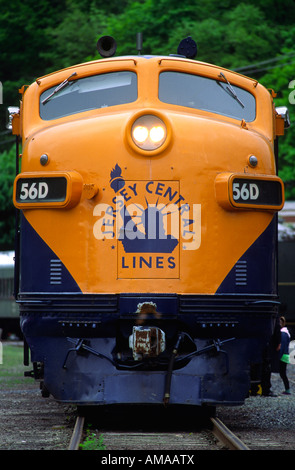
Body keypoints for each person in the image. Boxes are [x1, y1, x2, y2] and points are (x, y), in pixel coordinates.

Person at [279, 316, 291, 395]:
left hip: (283, 355)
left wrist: (279, 356)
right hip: (286, 355)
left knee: (282, 373)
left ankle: (288, 390)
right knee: (283, 373)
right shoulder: (286, 332)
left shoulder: (283, 333)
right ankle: (287, 389)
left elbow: (282, 346)